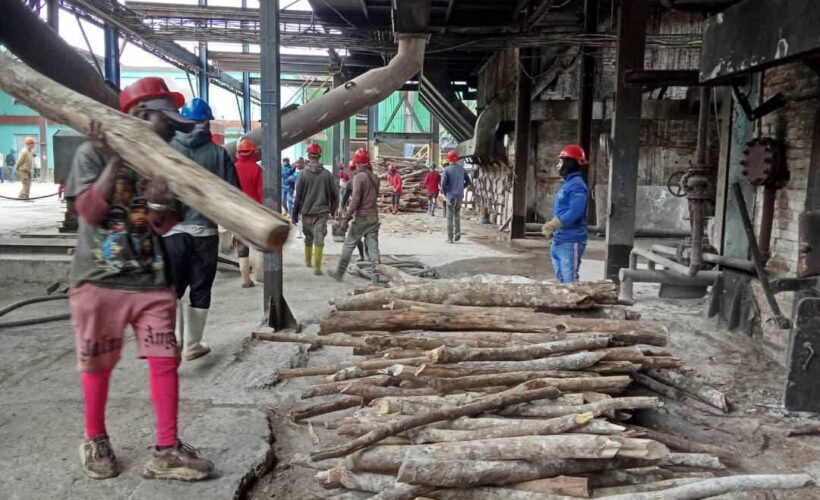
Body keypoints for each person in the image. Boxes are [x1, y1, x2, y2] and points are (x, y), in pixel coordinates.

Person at [65, 76, 213, 481]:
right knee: (98, 364)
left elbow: (163, 225)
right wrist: (114, 159)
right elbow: (90, 214)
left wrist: (161, 199)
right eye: (165, 121)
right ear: (139, 117)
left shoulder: (163, 162)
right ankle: (95, 438)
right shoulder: (90, 153)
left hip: (151, 282)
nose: (171, 130)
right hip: (100, 280)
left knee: (165, 361)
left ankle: (166, 448)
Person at [165, 97, 240, 361]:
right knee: (200, 287)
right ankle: (192, 344)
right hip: (204, 231)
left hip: (171, 232)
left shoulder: (168, 148)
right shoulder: (218, 154)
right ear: (207, 122)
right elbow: (233, 196)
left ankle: (172, 339)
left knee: (172, 287)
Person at [330, 148, 381, 281]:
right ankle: (376, 278)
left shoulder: (359, 177)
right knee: (373, 248)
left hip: (362, 218)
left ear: (357, 163)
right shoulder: (375, 178)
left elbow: (355, 200)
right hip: (373, 217)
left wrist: (345, 218)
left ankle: (339, 273)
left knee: (349, 244)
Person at [542, 144, 589, 284]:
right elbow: (563, 210)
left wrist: (554, 224)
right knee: (562, 278)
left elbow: (576, 211)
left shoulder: (577, 185)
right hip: (560, 239)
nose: (558, 166)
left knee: (570, 280)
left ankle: (575, 303)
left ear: (570, 162)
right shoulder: (568, 184)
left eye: (561, 162)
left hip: (571, 240)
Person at [292, 142, 338, 275]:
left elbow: (298, 196)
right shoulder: (327, 175)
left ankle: (308, 262)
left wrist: (294, 214)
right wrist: (333, 211)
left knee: (308, 238)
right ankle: (317, 268)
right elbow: (335, 196)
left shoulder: (302, 175)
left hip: (306, 212)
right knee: (319, 239)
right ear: (319, 156)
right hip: (322, 212)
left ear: (308, 156)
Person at [233, 139, 263, 288]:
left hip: (237, 212)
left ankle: (245, 279)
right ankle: (259, 275)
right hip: (254, 212)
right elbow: (260, 194)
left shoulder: (233, 168)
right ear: (254, 152)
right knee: (258, 245)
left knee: (242, 246)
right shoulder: (257, 170)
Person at [441, 150, 471, 243]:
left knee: (449, 217)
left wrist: (445, 193)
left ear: (448, 159)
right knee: (457, 215)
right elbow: (468, 181)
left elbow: (443, 184)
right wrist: (462, 187)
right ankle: (457, 234)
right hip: (459, 196)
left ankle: (450, 238)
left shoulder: (446, 170)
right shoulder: (462, 169)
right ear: (457, 159)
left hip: (450, 195)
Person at [340, 159, 367, 262]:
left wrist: (343, 210)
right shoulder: (370, 180)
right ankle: (369, 257)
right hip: (370, 212)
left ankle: (362, 256)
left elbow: (344, 199)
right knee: (369, 236)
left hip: (358, 213)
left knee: (356, 236)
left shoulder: (351, 182)